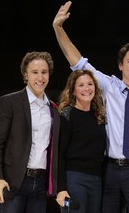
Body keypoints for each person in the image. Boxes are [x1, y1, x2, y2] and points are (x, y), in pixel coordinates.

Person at [53, 1, 129, 213]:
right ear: (120, 65)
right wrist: (58, 29)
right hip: (109, 171)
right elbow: (77, 62)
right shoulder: (109, 86)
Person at [0, 51, 60, 213]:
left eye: (44, 72)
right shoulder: (8, 102)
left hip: (40, 185)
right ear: (25, 75)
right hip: (13, 183)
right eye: (35, 72)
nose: (40, 77)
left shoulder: (54, 109)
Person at [55, 69, 107, 213]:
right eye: (81, 85)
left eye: (90, 84)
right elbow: (59, 154)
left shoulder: (99, 117)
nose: (86, 89)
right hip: (73, 179)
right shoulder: (67, 115)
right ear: (72, 90)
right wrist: (61, 189)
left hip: (96, 181)